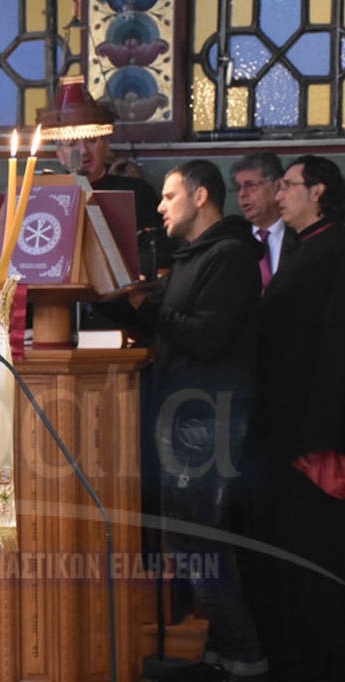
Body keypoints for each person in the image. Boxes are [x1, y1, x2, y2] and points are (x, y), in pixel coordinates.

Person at [130, 160, 267, 680]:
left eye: (169, 196)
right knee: (187, 540)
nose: (161, 206)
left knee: (202, 538)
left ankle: (247, 656)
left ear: (201, 196)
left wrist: (147, 302)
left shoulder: (230, 256)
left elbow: (207, 336)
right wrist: (124, 299)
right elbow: (160, 318)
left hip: (209, 418)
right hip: (182, 415)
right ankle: (224, 649)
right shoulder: (191, 256)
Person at [253, 155, 345, 681]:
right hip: (289, 430)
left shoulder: (333, 249)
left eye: (288, 185)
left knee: (316, 562)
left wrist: (319, 440)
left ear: (319, 192)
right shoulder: (307, 248)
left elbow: (333, 350)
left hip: (313, 439)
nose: (279, 193)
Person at [55, 135, 177, 279]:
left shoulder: (137, 191)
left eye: (92, 141)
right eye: (72, 144)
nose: (83, 151)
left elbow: (159, 249)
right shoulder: (49, 193)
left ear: (106, 147)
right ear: (61, 155)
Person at [229, 152, 297, 289]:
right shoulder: (233, 240)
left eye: (251, 185)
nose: (242, 194)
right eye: (238, 188)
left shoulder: (300, 235)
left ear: (276, 186)